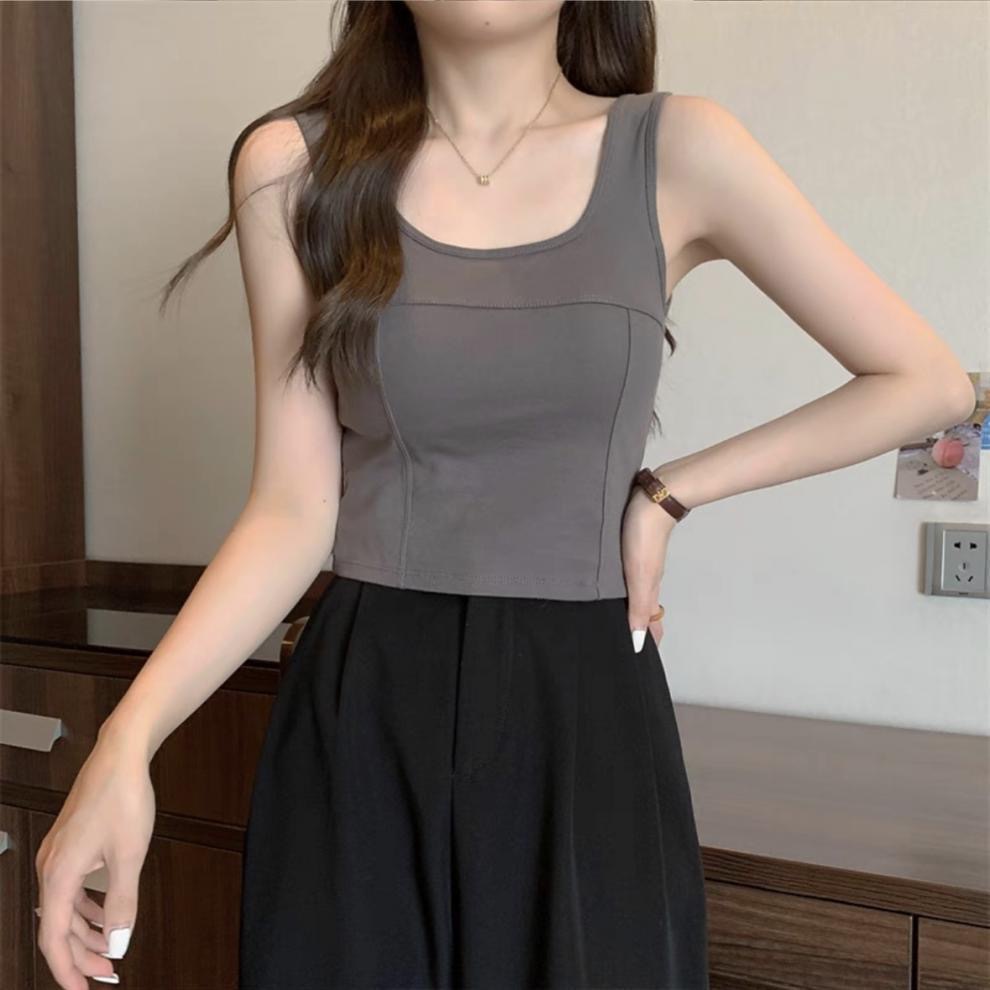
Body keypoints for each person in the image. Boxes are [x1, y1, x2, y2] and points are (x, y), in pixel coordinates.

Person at [33, 2, 976, 989]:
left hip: (586, 713)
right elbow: (292, 510)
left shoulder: (677, 150)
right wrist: (126, 740)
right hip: (364, 710)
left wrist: (669, 492)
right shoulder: (294, 168)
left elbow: (926, 382)